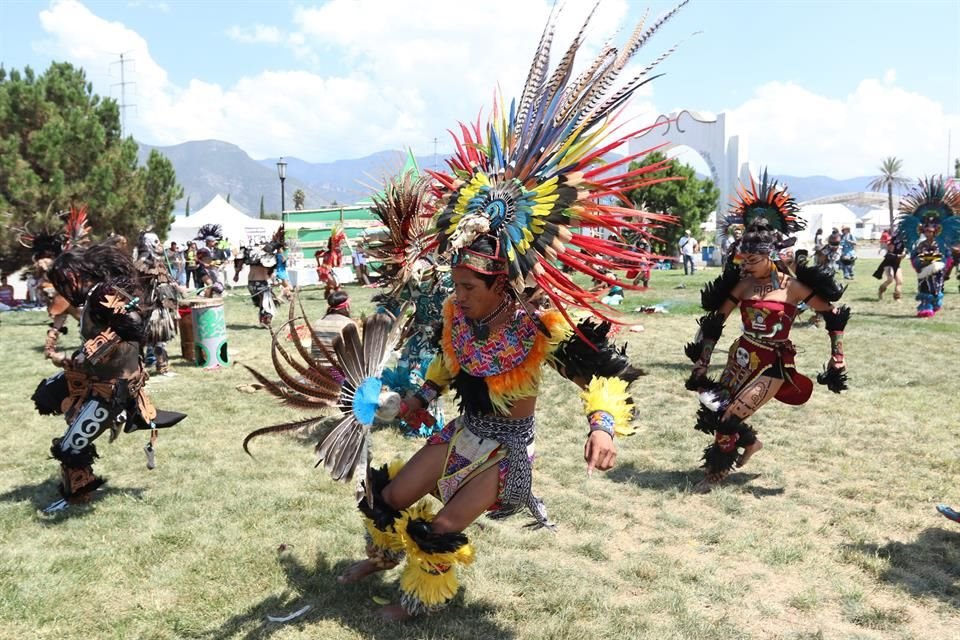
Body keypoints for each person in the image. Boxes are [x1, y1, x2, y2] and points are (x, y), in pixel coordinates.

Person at [246, 1, 685, 619]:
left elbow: (606, 378)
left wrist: (602, 426)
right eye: (454, 284)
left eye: (469, 287)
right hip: (463, 432)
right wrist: (423, 395)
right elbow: (450, 367)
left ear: (502, 282)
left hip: (507, 450)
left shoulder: (541, 326)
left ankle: (421, 602)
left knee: (443, 522)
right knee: (390, 496)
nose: (458, 296)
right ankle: (379, 555)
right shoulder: (457, 318)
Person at [685, 172, 849, 492]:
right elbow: (714, 323)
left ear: (771, 255)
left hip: (773, 364)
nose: (746, 264)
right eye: (743, 258)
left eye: (753, 259)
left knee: (730, 415)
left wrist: (837, 358)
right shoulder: (743, 284)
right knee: (714, 407)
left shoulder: (794, 288)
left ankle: (716, 473)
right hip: (742, 355)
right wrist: (702, 361)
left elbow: (834, 317)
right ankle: (751, 442)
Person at [31, 240, 186, 512]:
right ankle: (105, 418)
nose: (62, 289)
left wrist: (89, 351)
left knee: (70, 446)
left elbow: (134, 324)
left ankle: (76, 496)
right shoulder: (95, 294)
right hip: (95, 377)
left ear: (75, 276)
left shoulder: (103, 292)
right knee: (47, 393)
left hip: (114, 388)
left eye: (63, 282)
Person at [897, 177, 960, 318]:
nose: (928, 232)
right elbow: (914, 256)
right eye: (926, 231)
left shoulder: (941, 244)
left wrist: (939, 262)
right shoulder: (921, 244)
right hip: (924, 271)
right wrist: (920, 262)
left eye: (930, 231)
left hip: (937, 271)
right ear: (922, 230)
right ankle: (925, 307)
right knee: (924, 287)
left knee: (936, 289)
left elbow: (947, 256)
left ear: (936, 231)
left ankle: (935, 302)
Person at [135, 231, 180, 375]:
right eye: (156, 242)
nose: (160, 244)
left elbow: (166, 280)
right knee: (157, 339)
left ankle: (154, 367)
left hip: (156, 306)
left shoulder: (154, 259)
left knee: (155, 339)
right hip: (153, 307)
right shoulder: (145, 261)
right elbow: (148, 277)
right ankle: (159, 367)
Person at [873, 229, 905, 300]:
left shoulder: (905, 243)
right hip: (888, 263)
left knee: (899, 281)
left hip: (896, 264)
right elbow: (889, 255)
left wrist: (903, 254)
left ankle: (897, 298)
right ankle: (880, 291)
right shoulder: (893, 241)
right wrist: (898, 256)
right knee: (890, 279)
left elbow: (903, 254)